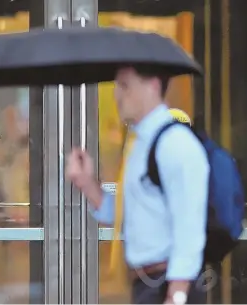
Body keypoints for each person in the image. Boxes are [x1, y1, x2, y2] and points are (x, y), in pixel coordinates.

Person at [67, 66, 209, 304]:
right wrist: (86, 183)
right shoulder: (140, 144)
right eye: (117, 85)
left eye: (125, 85)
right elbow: (126, 213)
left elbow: (190, 227)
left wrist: (177, 295)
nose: (117, 95)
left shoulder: (175, 143)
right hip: (147, 284)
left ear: (153, 85)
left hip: (167, 285)